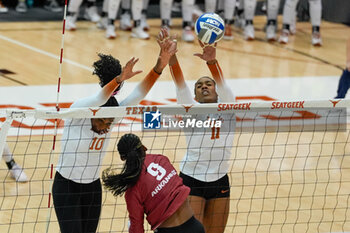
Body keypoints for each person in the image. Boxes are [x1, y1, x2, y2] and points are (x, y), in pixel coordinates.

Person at [52, 31, 177, 233]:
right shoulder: (81, 111)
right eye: (102, 122)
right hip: (67, 187)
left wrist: (159, 66)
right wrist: (119, 79)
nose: (106, 127)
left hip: (92, 187)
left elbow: (139, 94)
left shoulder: (112, 114)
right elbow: (98, 99)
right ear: (93, 115)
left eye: (109, 123)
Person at [165, 29, 235, 233]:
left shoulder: (228, 108)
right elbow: (179, 83)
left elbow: (223, 83)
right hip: (192, 178)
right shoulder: (191, 110)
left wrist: (212, 62)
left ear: (216, 91)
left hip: (220, 178)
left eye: (208, 84)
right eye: (198, 86)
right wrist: (171, 56)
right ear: (195, 95)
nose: (204, 87)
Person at [102, 133, 205, 233]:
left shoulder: (132, 190)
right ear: (143, 147)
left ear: (123, 158)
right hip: (195, 227)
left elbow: (136, 227)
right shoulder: (161, 159)